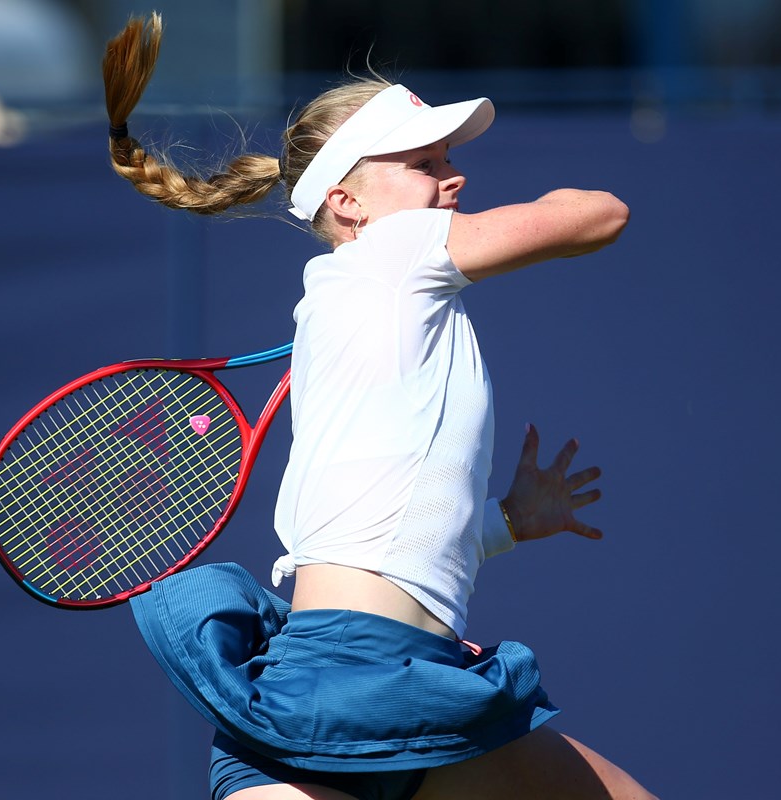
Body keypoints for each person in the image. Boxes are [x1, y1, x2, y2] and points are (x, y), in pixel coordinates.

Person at [103, 14, 655, 800]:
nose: (451, 178)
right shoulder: (399, 253)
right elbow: (599, 212)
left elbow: (373, 522)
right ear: (348, 203)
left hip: (390, 694)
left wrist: (503, 524)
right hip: (352, 678)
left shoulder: (346, 306)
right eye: (423, 161)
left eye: (449, 159)